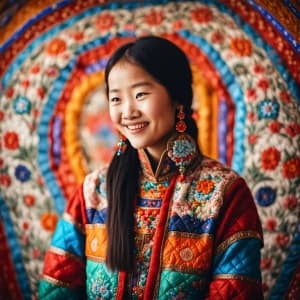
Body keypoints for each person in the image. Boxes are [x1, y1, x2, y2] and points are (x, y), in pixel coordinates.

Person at [39, 35, 264, 299]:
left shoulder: (225, 194)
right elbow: (57, 289)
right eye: (116, 99)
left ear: (178, 98)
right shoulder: (93, 192)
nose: (127, 111)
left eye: (140, 94)